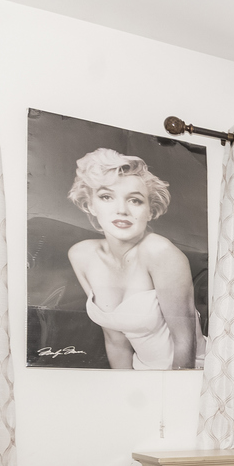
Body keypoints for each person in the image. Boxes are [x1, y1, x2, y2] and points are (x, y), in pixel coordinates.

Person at [66, 148, 204, 370]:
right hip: (142, 372)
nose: (122, 210)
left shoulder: (160, 252)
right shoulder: (81, 255)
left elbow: (185, 343)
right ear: (91, 205)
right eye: (106, 197)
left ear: (150, 211)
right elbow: (116, 342)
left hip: (189, 371)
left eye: (135, 200)